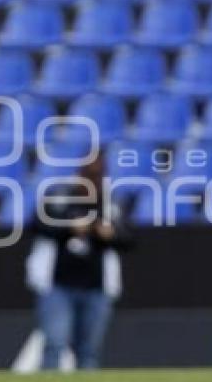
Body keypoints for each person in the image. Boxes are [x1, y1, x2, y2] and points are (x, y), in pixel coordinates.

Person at [25, 153, 133, 370]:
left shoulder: (110, 205)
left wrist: (110, 235)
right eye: (88, 175)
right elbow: (36, 225)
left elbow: (129, 240)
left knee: (89, 350)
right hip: (57, 286)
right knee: (55, 343)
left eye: (97, 176)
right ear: (79, 174)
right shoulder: (59, 198)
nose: (92, 181)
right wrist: (69, 228)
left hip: (97, 288)